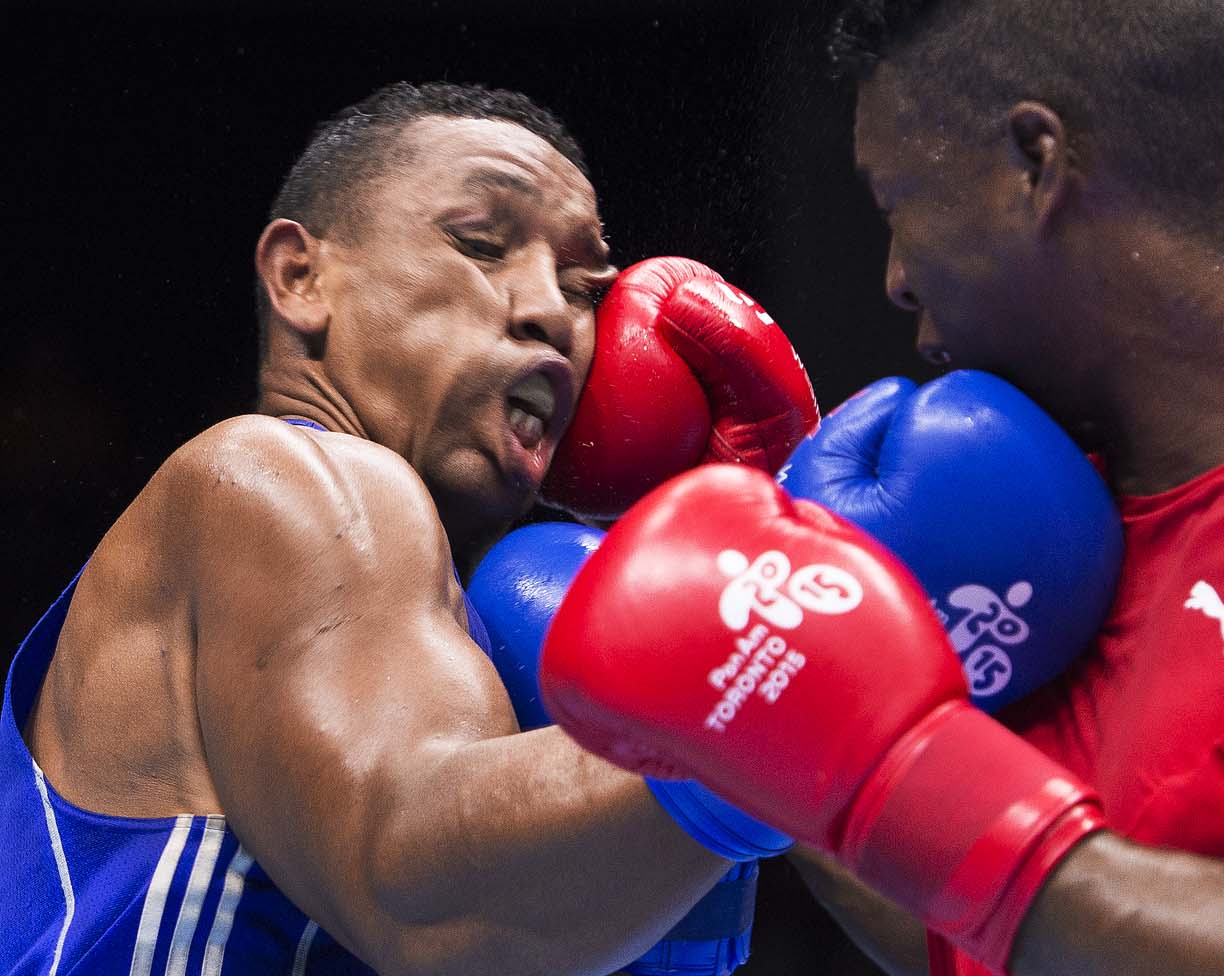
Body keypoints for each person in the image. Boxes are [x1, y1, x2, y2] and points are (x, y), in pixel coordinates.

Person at [537, 2, 1224, 975]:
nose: (897, 278)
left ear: (1034, 165)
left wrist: (897, 773)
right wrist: (770, 685)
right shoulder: (1042, 525)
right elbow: (990, 941)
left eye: (897, 206)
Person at [1, 81, 817, 975]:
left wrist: (737, 598)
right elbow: (421, 899)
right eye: (482, 244)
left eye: (585, 288)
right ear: (301, 277)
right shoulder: (281, 477)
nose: (552, 312)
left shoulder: (466, 631)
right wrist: (769, 669)